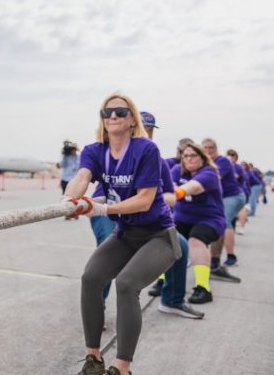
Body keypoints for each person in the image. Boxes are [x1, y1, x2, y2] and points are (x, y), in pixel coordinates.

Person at [63, 93, 180, 375]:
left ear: (131, 120)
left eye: (119, 112)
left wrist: (102, 209)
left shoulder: (145, 150)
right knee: (91, 278)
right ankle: (94, 359)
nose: (112, 117)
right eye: (106, 113)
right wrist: (69, 200)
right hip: (126, 233)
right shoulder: (94, 150)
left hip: (158, 235)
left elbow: (145, 200)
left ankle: (122, 367)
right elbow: (82, 178)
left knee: (127, 284)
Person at [139, 112, 203, 320]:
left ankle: (172, 300)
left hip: (150, 217)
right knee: (105, 258)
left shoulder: (157, 158)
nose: (146, 134)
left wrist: (162, 196)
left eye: (150, 130)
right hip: (116, 214)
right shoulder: (116, 153)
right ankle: (99, 306)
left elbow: (171, 194)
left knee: (179, 245)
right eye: (142, 128)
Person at [170, 142, 227, 305]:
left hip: (209, 219)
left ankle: (203, 288)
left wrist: (174, 192)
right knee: (165, 239)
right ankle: (163, 281)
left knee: (196, 240)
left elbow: (192, 188)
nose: (189, 158)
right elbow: (168, 184)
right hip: (182, 219)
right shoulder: (176, 170)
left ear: (203, 158)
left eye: (193, 155)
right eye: (185, 155)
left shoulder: (209, 173)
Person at [201, 138, 243, 279]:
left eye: (211, 147)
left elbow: (213, 178)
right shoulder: (203, 163)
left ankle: (228, 257)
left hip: (233, 196)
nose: (208, 150)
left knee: (223, 222)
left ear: (216, 147)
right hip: (219, 198)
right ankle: (212, 260)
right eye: (205, 147)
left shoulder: (223, 161)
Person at [60, 140, 80, 221]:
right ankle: (67, 213)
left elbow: (81, 166)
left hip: (74, 180)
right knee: (66, 197)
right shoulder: (66, 157)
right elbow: (62, 165)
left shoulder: (79, 157)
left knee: (75, 197)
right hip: (65, 179)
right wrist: (64, 155)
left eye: (74, 149)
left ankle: (75, 213)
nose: (73, 151)